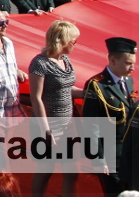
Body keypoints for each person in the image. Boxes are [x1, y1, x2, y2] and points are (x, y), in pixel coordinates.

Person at [26, 19, 80, 197]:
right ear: (62, 40)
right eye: (74, 40)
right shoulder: (39, 63)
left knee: (72, 172)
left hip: (68, 123)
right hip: (48, 125)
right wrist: (45, 129)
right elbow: (36, 98)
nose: (76, 44)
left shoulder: (65, 60)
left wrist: (90, 93)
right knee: (46, 169)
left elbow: (66, 88)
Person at [81, 36, 137, 196]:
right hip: (111, 156)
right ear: (113, 60)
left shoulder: (128, 81)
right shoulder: (97, 85)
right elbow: (91, 126)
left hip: (129, 155)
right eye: (128, 63)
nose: (132, 67)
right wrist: (98, 158)